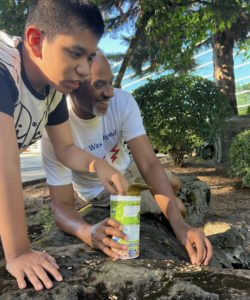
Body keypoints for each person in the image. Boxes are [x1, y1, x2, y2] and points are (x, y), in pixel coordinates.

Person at [0, 0, 128, 292]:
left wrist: (99, 165)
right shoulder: (4, 68)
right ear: (35, 40)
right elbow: (4, 163)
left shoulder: (53, 88)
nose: (85, 69)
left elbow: (65, 148)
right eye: (75, 53)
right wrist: (19, 253)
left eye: (90, 56)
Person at [42, 49, 213, 265]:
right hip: (102, 190)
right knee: (178, 208)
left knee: (175, 184)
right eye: (99, 85)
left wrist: (180, 227)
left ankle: (156, 212)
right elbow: (61, 206)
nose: (110, 93)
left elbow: (149, 163)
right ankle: (158, 213)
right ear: (73, 86)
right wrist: (87, 231)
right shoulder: (55, 131)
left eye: (110, 83)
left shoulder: (122, 102)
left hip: (128, 167)